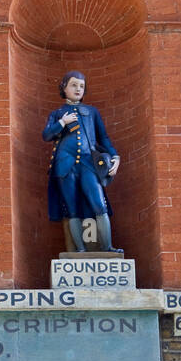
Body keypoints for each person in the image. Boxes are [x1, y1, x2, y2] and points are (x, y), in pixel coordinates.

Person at [42, 70, 122, 254]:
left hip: (87, 163)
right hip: (65, 165)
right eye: (73, 85)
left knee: (98, 204)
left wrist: (115, 157)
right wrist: (62, 123)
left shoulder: (92, 112)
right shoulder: (58, 113)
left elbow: (104, 138)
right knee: (71, 209)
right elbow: (46, 135)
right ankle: (79, 250)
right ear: (64, 87)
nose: (78, 89)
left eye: (81, 86)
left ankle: (107, 247)